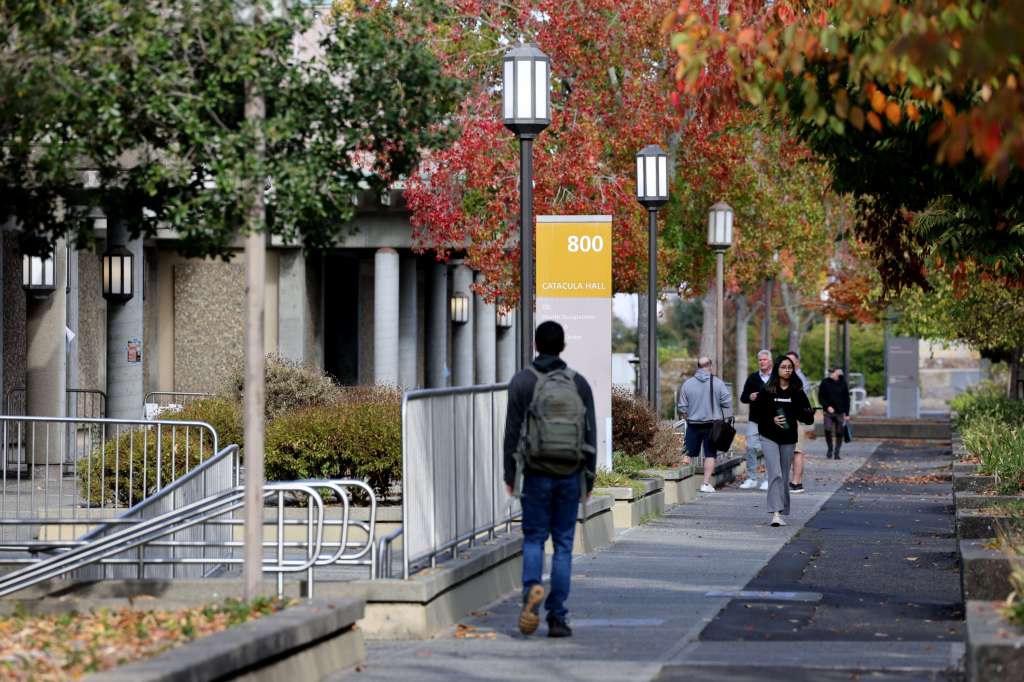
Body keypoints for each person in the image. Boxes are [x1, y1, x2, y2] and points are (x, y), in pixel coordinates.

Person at [503, 321, 596, 638]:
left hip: (536, 473)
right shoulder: (579, 383)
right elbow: (590, 435)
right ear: (563, 347)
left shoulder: (522, 382)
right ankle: (557, 617)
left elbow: (511, 434)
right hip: (570, 475)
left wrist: (509, 476)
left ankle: (531, 594)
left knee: (533, 539)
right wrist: (590, 480)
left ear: (535, 345)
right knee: (564, 546)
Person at [751, 355, 815, 527]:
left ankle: (782, 509)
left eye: (790, 367)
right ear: (777, 369)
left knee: (785, 474)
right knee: (775, 473)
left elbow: (806, 415)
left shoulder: (797, 391)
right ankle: (776, 513)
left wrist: (809, 413)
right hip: (768, 436)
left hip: (788, 438)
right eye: (784, 367)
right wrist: (771, 419)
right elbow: (757, 414)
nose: (787, 370)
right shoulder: (767, 390)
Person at [677, 356, 733, 494]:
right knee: (710, 454)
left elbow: (682, 407)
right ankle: (706, 484)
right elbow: (727, 402)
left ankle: (684, 484)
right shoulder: (718, 383)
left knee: (688, 453)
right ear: (710, 366)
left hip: (693, 424)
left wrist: (689, 414)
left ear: (698, 367)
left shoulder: (687, 384)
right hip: (712, 425)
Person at [739, 350, 773, 490]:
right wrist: (750, 397)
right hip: (755, 419)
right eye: (760, 360)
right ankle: (752, 478)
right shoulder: (753, 377)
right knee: (751, 447)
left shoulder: (777, 377)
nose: (762, 362)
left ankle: (767, 479)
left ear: (770, 361)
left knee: (768, 450)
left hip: (772, 420)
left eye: (765, 359)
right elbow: (743, 397)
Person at [785, 351, 811, 494]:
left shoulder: (798, 379)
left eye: (791, 360)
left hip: (794, 420)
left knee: (797, 451)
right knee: (792, 451)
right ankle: (794, 482)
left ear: (797, 362)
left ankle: (796, 482)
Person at [818, 366, 850, 459]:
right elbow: (820, 397)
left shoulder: (843, 383)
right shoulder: (825, 382)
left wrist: (847, 414)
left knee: (839, 432)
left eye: (834, 371)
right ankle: (830, 448)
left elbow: (847, 399)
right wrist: (827, 406)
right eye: (832, 372)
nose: (832, 373)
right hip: (828, 412)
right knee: (827, 430)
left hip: (840, 412)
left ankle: (837, 452)